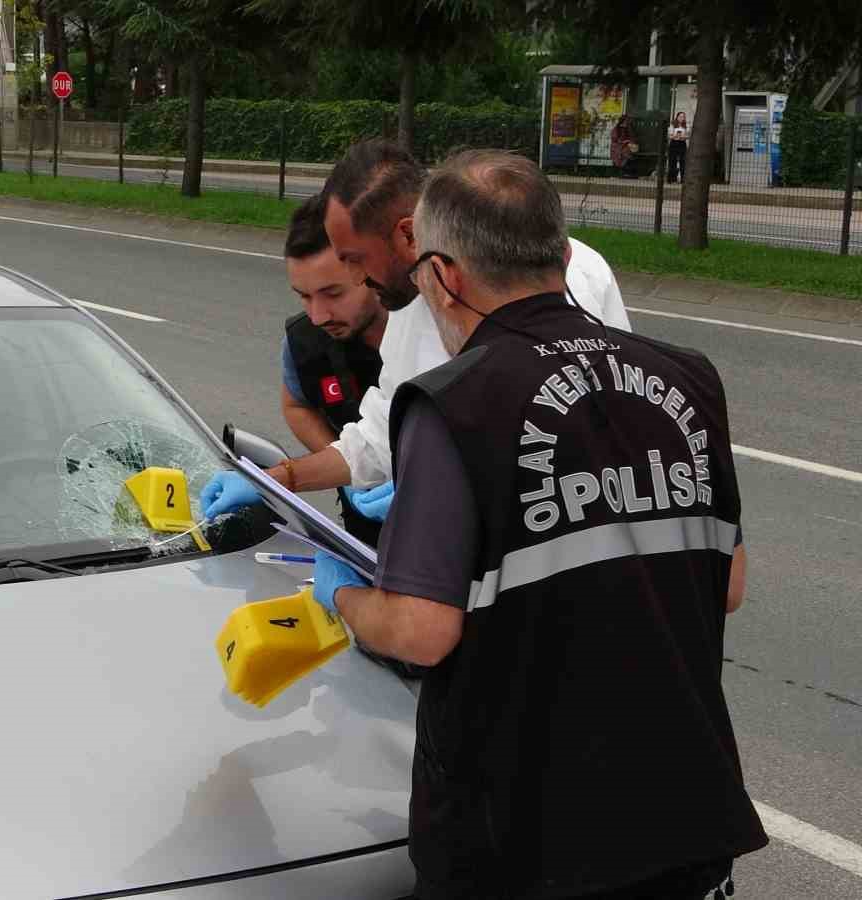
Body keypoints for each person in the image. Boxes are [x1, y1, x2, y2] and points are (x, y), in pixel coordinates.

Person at [311, 148, 766, 898]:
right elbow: (729, 583)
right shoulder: (687, 378)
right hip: (685, 815)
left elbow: (421, 629)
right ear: (556, 252)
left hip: (524, 837)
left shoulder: (453, 403)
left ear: (446, 275)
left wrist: (344, 597)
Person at [199, 140, 631, 521]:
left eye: (353, 257)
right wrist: (276, 479)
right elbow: (379, 437)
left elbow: (587, 446)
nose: (353, 275)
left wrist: (441, 492)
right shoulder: (407, 309)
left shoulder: (577, 280)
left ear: (409, 235)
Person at [275, 193, 389, 547]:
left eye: (333, 293)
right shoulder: (303, 343)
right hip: (367, 531)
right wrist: (342, 463)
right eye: (304, 296)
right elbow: (296, 405)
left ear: (369, 268)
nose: (318, 315)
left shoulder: (433, 333)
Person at [668, 112, 689, 184]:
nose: (682, 118)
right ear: (677, 117)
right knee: (672, 161)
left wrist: (683, 137)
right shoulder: (673, 125)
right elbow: (669, 136)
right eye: (680, 116)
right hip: (674, 143)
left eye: (683, 117)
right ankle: (671, 179)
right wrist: (675, 136)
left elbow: (687, 136)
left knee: (683, 161)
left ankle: (683, 179)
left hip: (682, 144)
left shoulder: (685, 126)